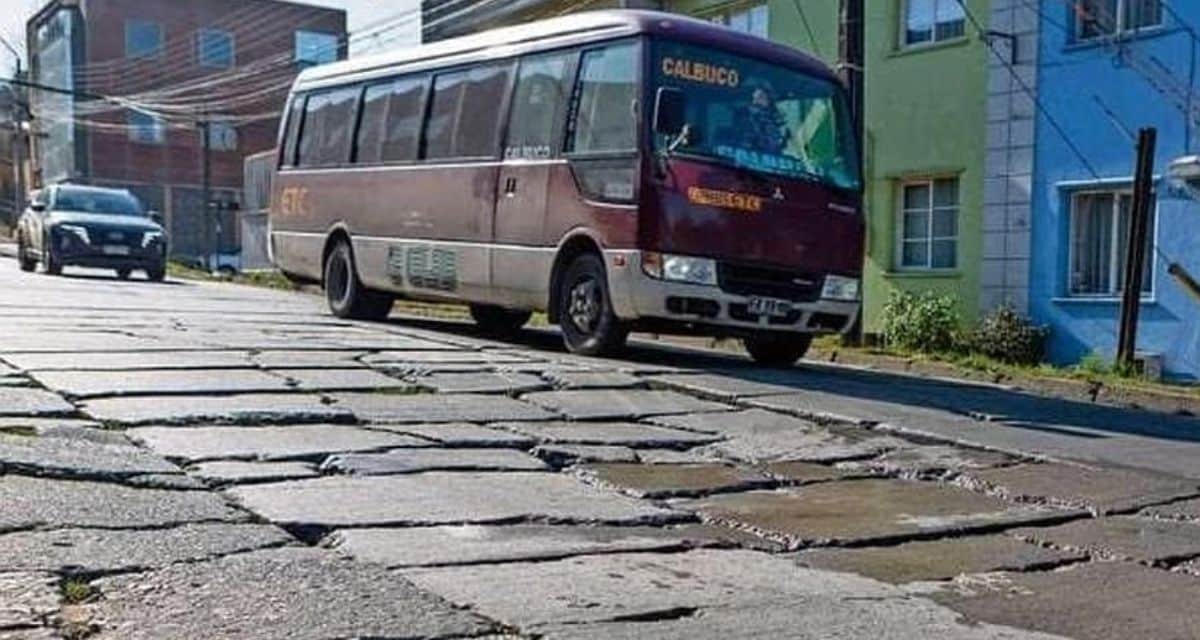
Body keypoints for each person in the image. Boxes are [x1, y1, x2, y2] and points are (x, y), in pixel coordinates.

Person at [737, 82, 788, 154]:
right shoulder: (748, 121)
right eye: (754, 98)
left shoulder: (779, 122)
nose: (755, 102)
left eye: (760, 97)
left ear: (769, 99)